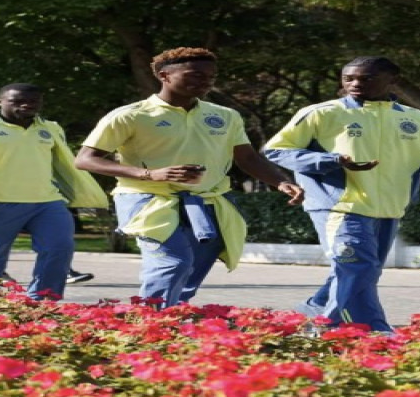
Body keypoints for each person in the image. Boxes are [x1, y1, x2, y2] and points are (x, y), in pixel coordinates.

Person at [264, 56, 420, 333]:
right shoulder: (322, 113)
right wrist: (331, 161)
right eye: (348, 78)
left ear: (393, 81)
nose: (355, 84)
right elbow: (277, 150)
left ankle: (313, 309)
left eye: (366, 78)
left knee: (364, 270)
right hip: (338, 206)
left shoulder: (416, 119)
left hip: (389, 209)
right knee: (358, 265)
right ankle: (348, 328)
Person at [75, 47, 302, 308]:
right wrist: (150, 174)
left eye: (210, 77)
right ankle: (150, 320)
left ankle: (172, 317)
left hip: (207, 200)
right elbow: (85, 159)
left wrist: (281, 181)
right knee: (172, 262)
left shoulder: (225, 116)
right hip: (149, 200)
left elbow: (247, 158)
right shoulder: (130, 115)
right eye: (194, 75)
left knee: (191, 268)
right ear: (164, 75)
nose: (204, 82)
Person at [0, 83, 108, 300]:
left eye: (33, 101)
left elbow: (62, 162)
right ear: (0, 102)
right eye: (17, 101)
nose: (26, 105)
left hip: (47, 201)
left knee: (59, 249)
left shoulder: (50, 127)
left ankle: (42, 301)